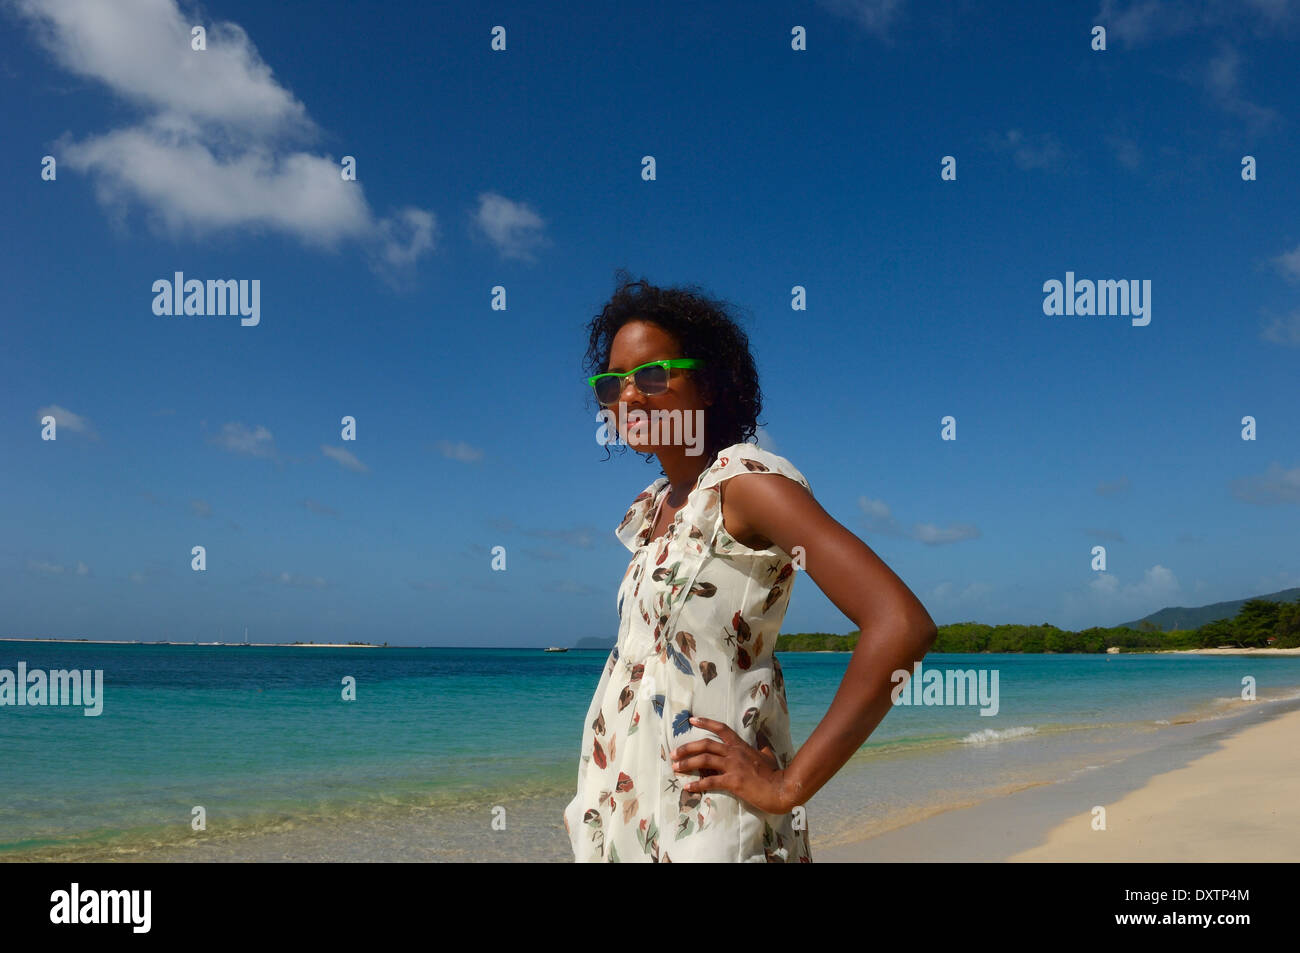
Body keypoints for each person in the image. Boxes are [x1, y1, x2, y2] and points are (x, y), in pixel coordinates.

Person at [563, 272, 937, 862]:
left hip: (710, 822)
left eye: (653, 376)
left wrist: (789, 787)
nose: (628, 396)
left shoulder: (745, 485)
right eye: (611, 384)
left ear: (708, 384)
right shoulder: (653, 509)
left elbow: (900, 624)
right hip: (631, 814)